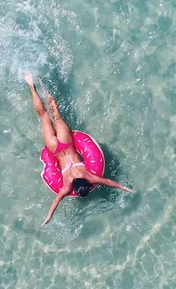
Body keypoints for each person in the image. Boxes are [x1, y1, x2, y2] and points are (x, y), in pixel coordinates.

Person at [24, 73, 134, 226]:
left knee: (55, 115)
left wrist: (125, 188)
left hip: (66, 143)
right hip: (55, 148)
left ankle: (39, 83)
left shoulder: (87, 177)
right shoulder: (69, 186)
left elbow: (109, 181)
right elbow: (56, 201)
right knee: (44, 116)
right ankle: (32, 86)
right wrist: (48, 217)